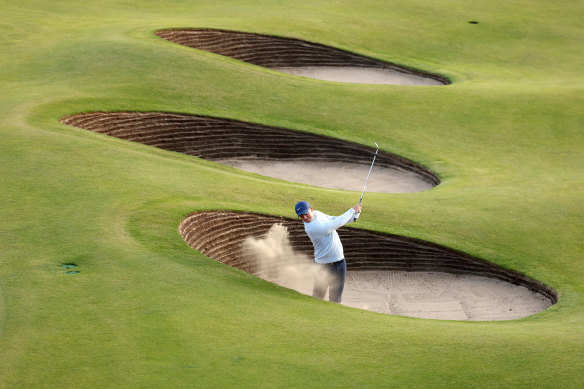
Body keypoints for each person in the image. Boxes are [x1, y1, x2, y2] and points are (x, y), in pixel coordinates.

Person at [295, 200, 362, 303]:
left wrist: (354, 216)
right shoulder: (312, 228)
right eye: (301, 216)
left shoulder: (318, 214)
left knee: (335, 299)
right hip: (323, 267)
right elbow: (336, 223)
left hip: (340, 263)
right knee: (318, 298)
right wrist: (352, 210)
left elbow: (334, 219)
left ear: (311, 209)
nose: (304, 218)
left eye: (305, 214)